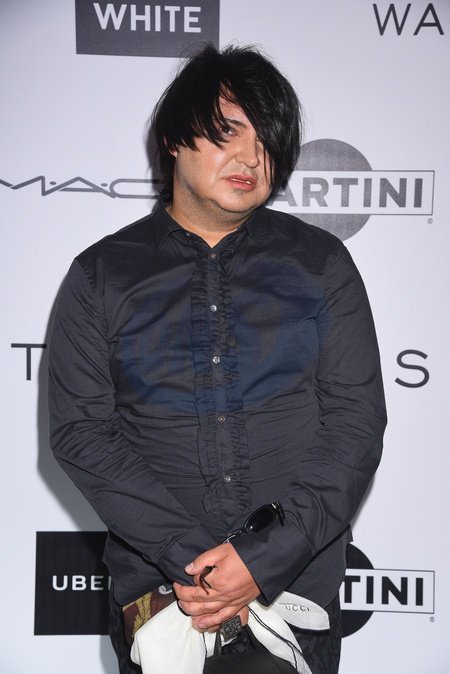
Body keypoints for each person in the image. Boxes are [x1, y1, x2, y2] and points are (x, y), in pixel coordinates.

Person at [48, 43, 387, 674]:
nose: (252, 158)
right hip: (162, 601)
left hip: (294, 602)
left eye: (267, 142)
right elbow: (83, 433)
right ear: (174, 137)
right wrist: (193, 560)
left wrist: (265, 558)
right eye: (229, 131)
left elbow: (355, 422)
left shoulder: (321, 264)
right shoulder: (100, 276)